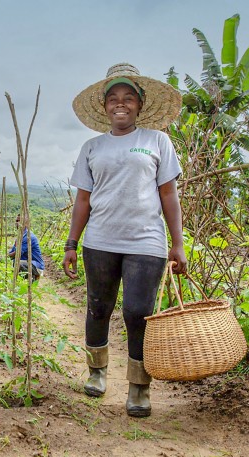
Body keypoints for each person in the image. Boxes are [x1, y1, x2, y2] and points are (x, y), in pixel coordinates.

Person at [64, 63, 187, 418]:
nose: (121, 104)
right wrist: (72, 244)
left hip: (145, 242)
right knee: (98, 307)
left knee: (138, 313)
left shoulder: (156, 141)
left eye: (128, 98)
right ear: (104, 106)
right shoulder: (93, 146)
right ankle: (97, 372)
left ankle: (138, 387)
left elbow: (168, 195)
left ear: (140, 104)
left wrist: (177, 244)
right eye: (114, 98)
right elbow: (83, 200)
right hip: (100, 241)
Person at [8, 214, 44, 282]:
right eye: (16, 221)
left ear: (25, 223)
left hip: (36, 265)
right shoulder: (20, 236)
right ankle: (23, 280)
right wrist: (9, 255)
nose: (17, 223)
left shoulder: (28, 237)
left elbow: (16, 254)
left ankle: (32, 279)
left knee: (18, 264)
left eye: (19, 221)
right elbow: (11, 253)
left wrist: (6, 256)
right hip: (28, 262)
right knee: (15, 262)